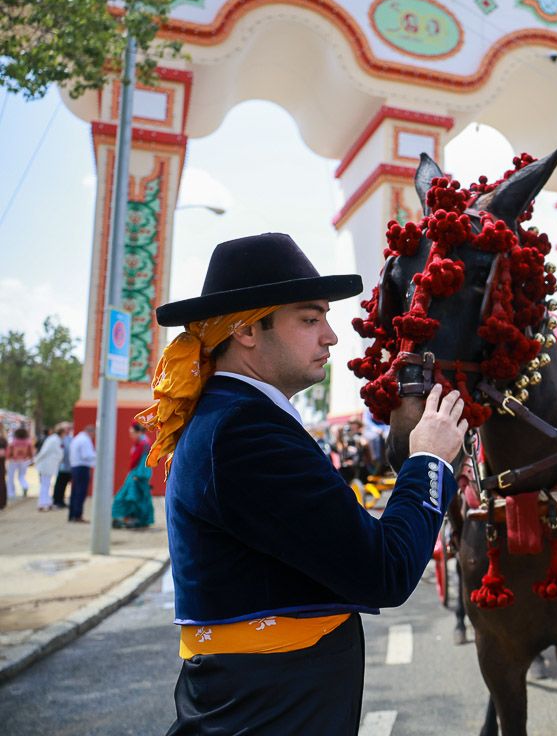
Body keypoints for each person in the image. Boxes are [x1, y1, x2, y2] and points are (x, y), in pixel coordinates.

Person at [136, 233, 466, 735]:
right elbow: (386, 570)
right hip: (268, 714)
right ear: (246, 330)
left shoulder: (236, 417)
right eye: (310, 319)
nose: (331, 336)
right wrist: (429, 462)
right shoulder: (244, 431)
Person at [112, 422, 155, 528]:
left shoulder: (144, 444)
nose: (130, 435)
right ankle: (129, 518)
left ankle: (137, 519)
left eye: (132, 433)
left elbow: (146, 461)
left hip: (138, 475)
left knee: (131, 497)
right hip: (134, 474)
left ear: (139, 432)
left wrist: (139, 475)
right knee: (130, 497)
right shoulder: (140, 443)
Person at [33, 424, 67, 512]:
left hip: (49, 465)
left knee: (46, 484)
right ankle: (43, 504)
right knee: (45, 484)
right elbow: (44, 451)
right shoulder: (54, 440)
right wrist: (36, 460)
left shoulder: (55, 439)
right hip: (46, 466)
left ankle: (46, 503)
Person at [66, 424, 96, 523]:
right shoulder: (85, 440)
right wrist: (97, 455)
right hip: (82, 467)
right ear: (91, 432)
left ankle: (72, 515)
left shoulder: (78, 438)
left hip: (75, 467)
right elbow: (86, 455)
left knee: (75, 492)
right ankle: (77, 515)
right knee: (80, 492)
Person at [6, 426, 34, 501]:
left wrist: (7, 458)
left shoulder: (13, 442)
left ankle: (11, 493)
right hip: (24, 461)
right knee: (21, 476)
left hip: (13, 460)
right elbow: (31, 452)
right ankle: (25, 486)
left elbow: (8, 452)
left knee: (10, 477)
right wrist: (31, 460)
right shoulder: (28, 442)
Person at [52, 425, 73, 509]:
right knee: (59, 485)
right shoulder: (59, 439)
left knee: (64, 485)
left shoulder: (70, 438)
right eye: (66, 429)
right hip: (62, 466)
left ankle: (61, 501)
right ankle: (57, 501)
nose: (68, 430)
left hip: (69, 466)